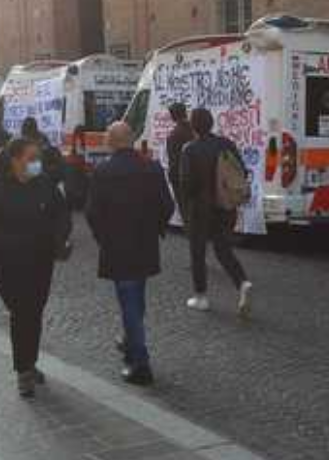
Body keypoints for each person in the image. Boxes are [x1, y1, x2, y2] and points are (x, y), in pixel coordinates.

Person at [0, 138, 72, 398]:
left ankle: (29, 362)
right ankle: (23, 371)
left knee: (34, 312)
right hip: (7, 264)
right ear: (15, 160)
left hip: (40, 261)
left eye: (38, 158)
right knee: (21, 312)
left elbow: (62, 215)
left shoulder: (45, 185)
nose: (37, 163)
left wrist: (60, 239)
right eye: (31, 158)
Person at [85, 122, 174, 385]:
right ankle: (129, 340)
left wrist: (103, 237)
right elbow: (167, 205)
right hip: (144, 242)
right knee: (136, 295)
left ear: (111, 142)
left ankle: (140, 361)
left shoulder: (103, 171)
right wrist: (156, 228)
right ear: (132, 140)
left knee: (129, 301)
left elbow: (92, 213)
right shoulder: (152, 168)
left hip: (117, 245)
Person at [180, 108, 252, 315]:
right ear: (212, 123)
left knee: (198, 252)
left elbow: (186, 184)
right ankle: (242, 282)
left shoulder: (189, 149)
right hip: (225, 207)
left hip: (200, 209)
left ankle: (201, 297)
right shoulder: (226, 144)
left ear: (193, 126)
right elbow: (241, 171)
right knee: (223, 249)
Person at [165, 102, 194, 215]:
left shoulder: (174, 135)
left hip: (181, 180)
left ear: (172, 116)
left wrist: (172, 178)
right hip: (198, 179)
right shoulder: (195, 130)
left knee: (186, 213)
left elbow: (174, 161)